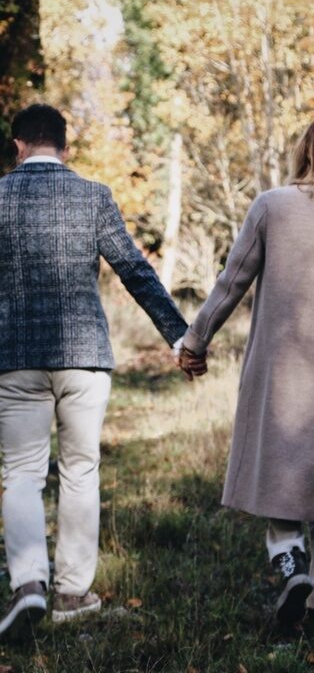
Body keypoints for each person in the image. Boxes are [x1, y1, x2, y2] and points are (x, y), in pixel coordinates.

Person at [178, 116, 314, 628]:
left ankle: (289, 559)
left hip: (278, 372)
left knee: (276, 476)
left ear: (303, 152)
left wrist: (196, 340)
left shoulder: (271, 207)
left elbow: (232, 282)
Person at [0, 103, 206, 639]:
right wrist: (181, 336)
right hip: (84, 356)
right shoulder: (92, 196)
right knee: (80, 471)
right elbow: (135, 269)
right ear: (64, 148)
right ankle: (72, 591)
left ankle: (28, 585)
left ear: (18, 145)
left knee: (22, 473)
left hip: (14, 356)